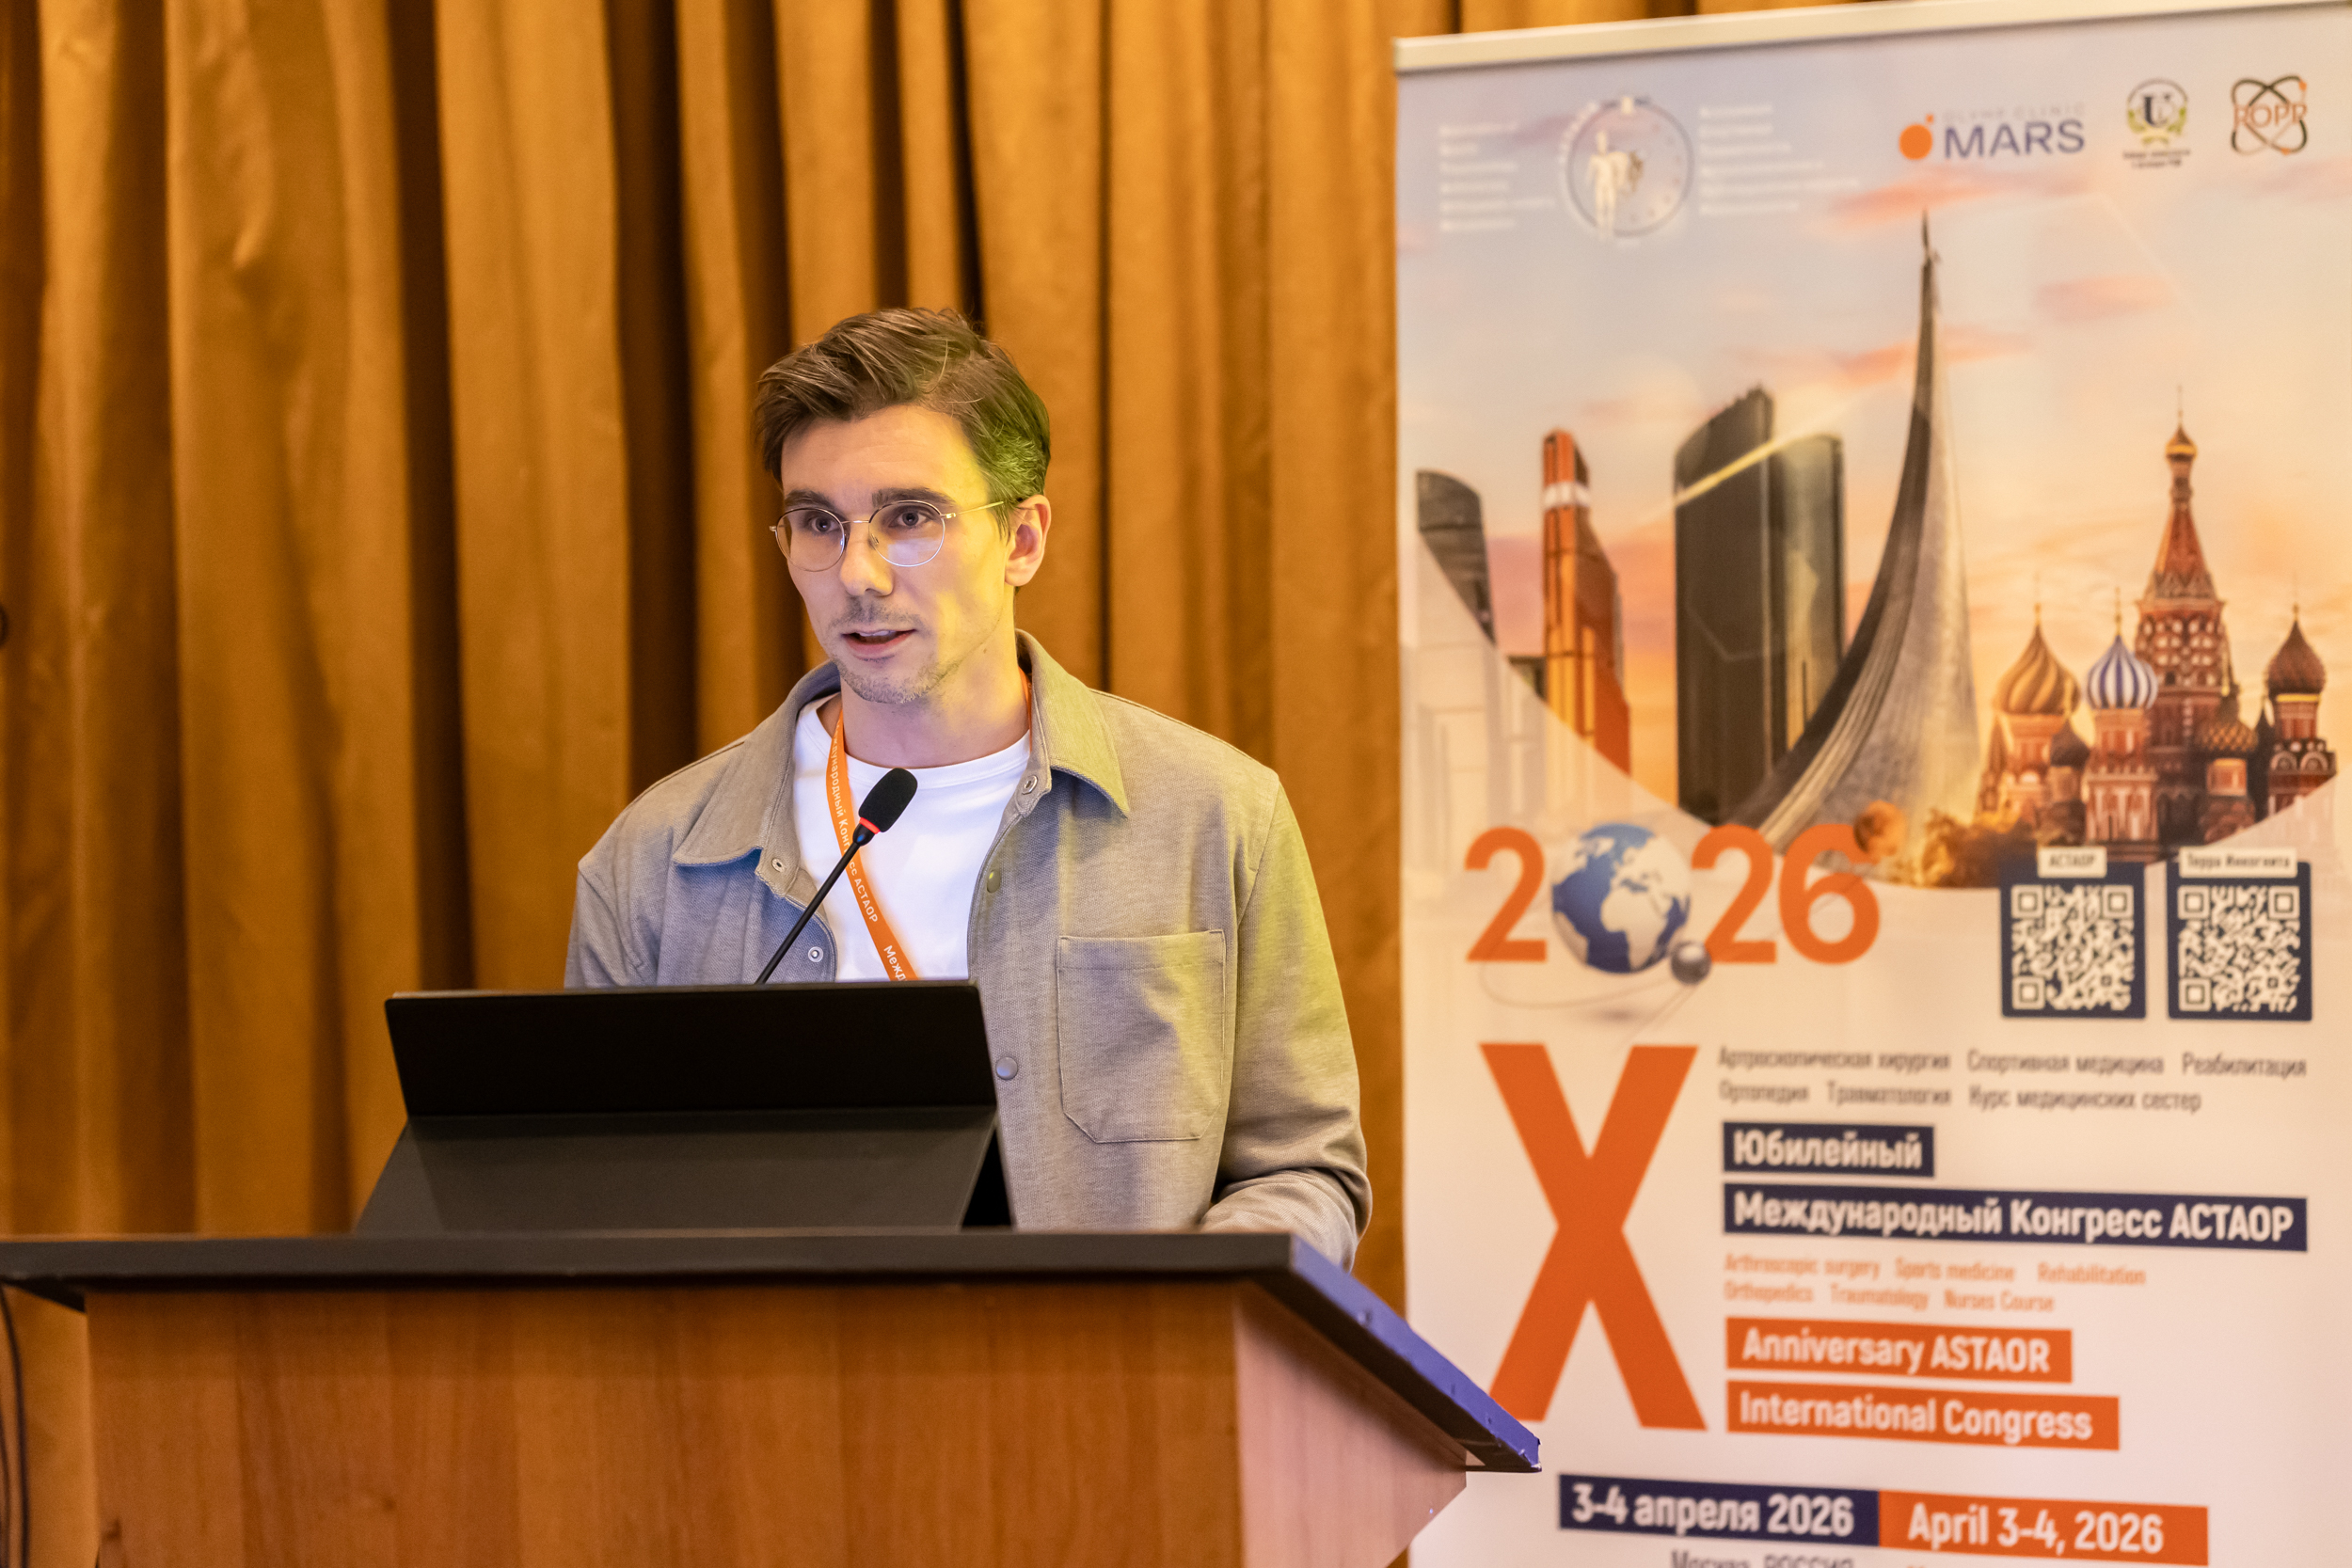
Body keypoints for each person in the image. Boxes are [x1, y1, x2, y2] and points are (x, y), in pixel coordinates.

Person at [564, 309, 1369, 1266]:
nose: (858, 574)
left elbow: (1304, 1169)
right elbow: (595, 1199)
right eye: (818, 523)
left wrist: (1172, 1312)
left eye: (909, 519)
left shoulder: (1214, 814)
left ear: (1022, 538)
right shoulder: (654, 861)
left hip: (1110, 1363)